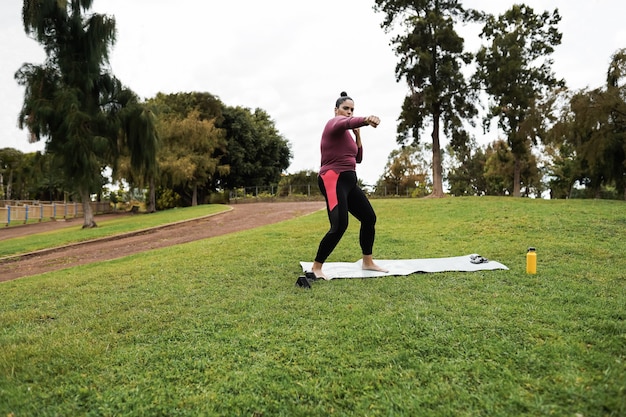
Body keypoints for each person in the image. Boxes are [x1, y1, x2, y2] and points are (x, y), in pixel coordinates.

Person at [310, 91, 388, 280]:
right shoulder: (333, 123)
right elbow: (346, 122)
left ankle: (367, 262)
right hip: (333, 178)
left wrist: (358, 136)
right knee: (339, 225)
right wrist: (366, 119)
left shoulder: (347, 133)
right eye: (346, 108)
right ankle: (316, 267)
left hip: (349, 181)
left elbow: (358, 158)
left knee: (369, 218)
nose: (349, 112)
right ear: (336, 110)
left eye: (352, 110)